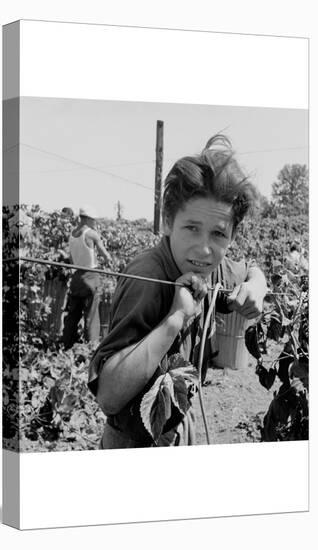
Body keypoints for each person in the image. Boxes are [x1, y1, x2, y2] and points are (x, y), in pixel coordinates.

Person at [88, 135, 268, 449]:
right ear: (168, 221)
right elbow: (109, 396)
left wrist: (257, 284)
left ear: (231, 235)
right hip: (136, 441)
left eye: (218, 234)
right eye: (191, 228)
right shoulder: (147, 278)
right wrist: (174, 319)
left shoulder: (212, 266)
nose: (204, 248)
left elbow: (248, 267)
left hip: (181, 427)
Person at [61, 205, 112, 349]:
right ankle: (92, 347)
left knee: (73, 314)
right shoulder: (92, 234)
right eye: (94, 220)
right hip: (91, 277)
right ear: (88, 219)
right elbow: (106, 256)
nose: (95, 222)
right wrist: (108, 261)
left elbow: (72, 260)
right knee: (92, 314)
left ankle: (66, 345)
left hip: (76, 277)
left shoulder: (72, 234)